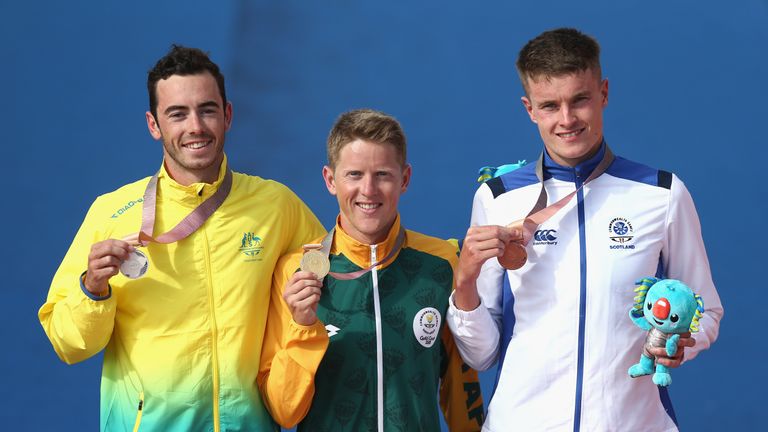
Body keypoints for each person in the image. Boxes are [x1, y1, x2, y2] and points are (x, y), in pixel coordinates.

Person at [446, 28, 724, 431]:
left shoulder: (661, 194)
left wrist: (683, 343)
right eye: (550, 105)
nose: (567, 119)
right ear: (529, 109)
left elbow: (707, 309)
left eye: (580, 100)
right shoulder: (497, 198)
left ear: (604, 93)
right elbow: (482, 355)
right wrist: (465, 283)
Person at [38, 45, 325, 431]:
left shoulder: (276, 206)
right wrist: (93, 289)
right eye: (177, 114)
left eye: (207, 110)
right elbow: (67, 343)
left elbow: (335, 279)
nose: (195, 127)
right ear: (153, 124)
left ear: (227, 115)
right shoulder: (110, 212)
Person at [257, 109, 485, 431]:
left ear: (404, 179)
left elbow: (462, 389)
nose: (368, 189)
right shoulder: (295, 272)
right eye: (354, 174)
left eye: (382, 175)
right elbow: (284, 411)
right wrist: (302, 325)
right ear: (330, 180)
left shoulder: (442, 262)